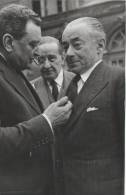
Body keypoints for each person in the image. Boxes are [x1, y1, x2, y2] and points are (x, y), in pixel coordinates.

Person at [0, 4, 72, 195]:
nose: (36, 54)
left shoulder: (8, 63)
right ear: (8, 42)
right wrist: (47, 122)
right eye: (32, 45)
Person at [56, 17, 124, 195]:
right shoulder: (70, 87)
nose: (68, 53)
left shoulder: (119, 80)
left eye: (76, 45)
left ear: (100, 46)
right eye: (65, 47)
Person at [31, 36, 75, 109]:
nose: (46, 65)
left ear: (63, 58)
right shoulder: (31, 88)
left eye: (51, 59)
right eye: (41, 60)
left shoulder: (77, 81)